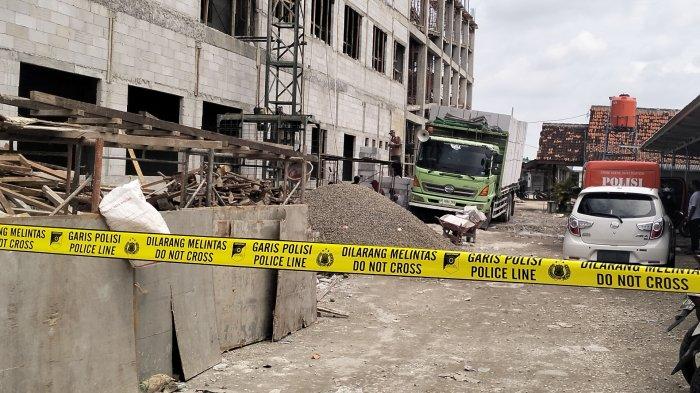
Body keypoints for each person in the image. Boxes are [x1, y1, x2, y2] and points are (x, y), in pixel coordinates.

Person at [688, 180, 700, 253]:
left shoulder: (695, 195)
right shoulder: (698, 194)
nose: (690, 186)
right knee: (696, 234)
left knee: (693, 234)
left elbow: (693, 207)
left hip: (694, 218)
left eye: (691, 185)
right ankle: (695, 248)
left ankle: (694, 249)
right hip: (697, 216)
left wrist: (689, 217)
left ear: (694, 185)